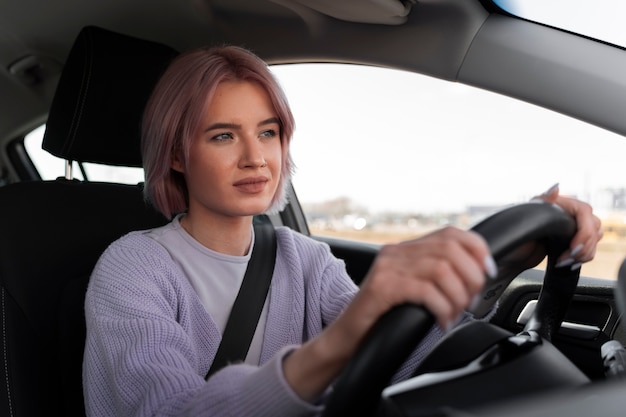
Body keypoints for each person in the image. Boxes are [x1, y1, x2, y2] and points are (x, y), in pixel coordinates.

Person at [82, 45, 602, 417]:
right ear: (176, 154)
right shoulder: (131, 269)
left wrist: (498, 264)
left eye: (268, 132)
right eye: (223, 136)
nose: (256, 157)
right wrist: (339, 343)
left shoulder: (304, 259)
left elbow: (408, 358)